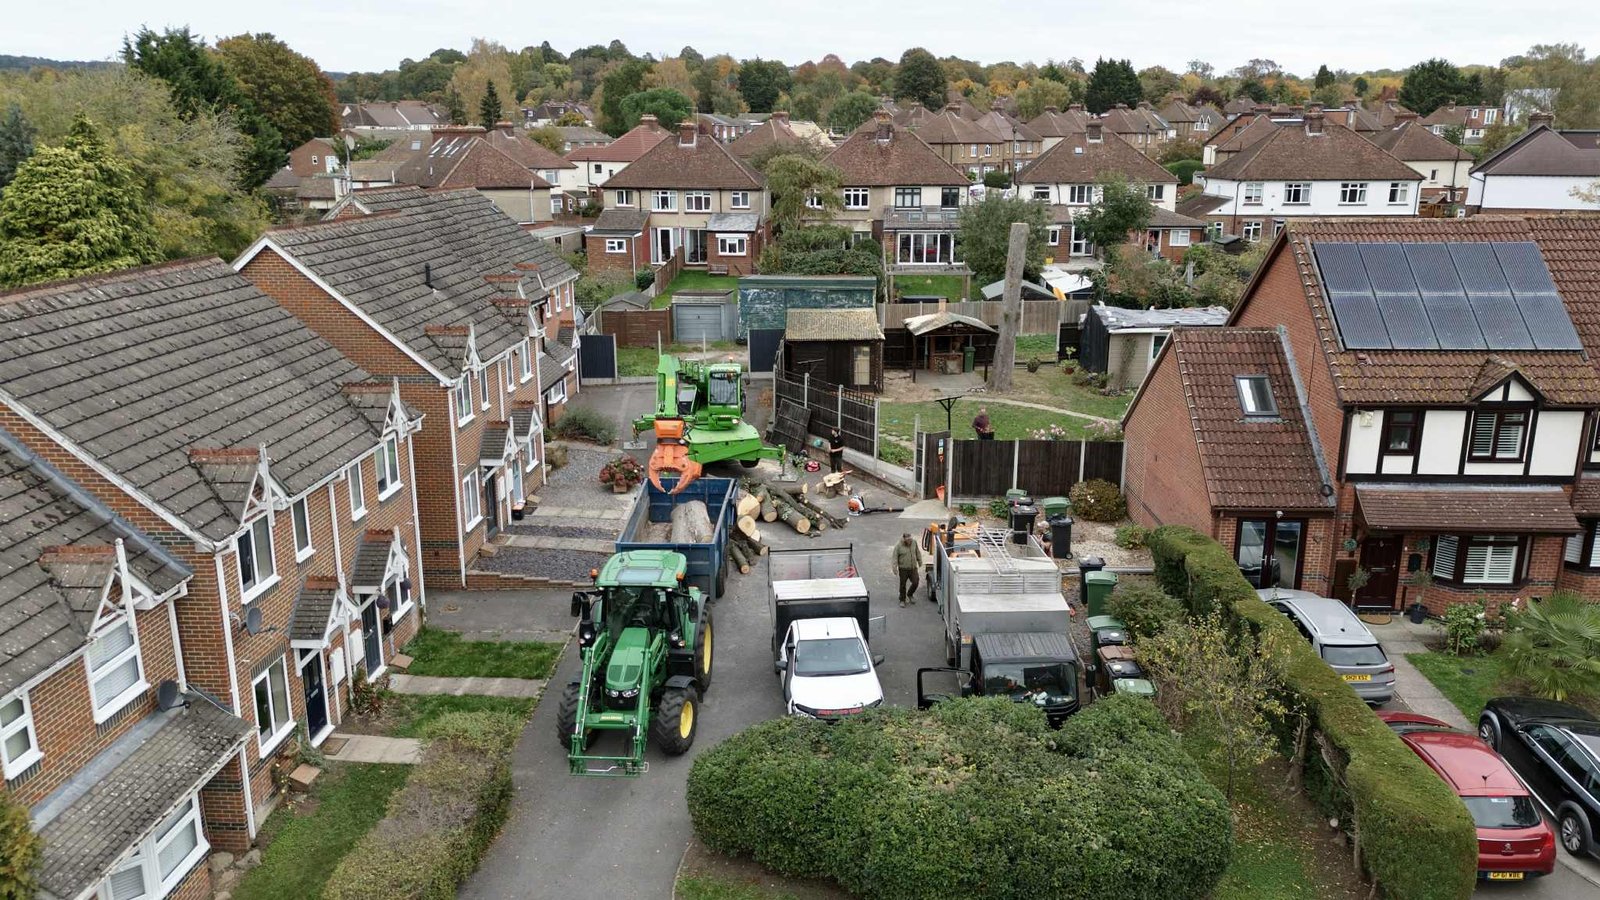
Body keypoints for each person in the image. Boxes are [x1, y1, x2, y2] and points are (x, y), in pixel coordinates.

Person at [893, 533, 922, 607]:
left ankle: (910, 594)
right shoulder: (898, 546)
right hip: (903, 569)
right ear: (904, 539)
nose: (909, 540)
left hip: (913, 568)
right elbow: (895, 558)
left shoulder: (914, 542)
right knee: (903, 585)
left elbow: (917, 552)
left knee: (916, 582)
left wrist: (919, 561)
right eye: (908, 539)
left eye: (910, 538)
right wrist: (894, 568)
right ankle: (902, 600)